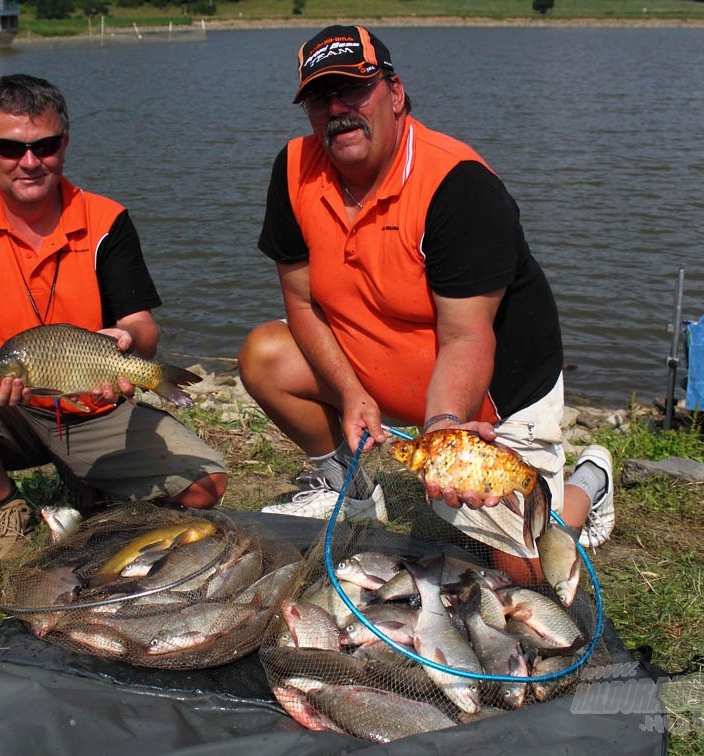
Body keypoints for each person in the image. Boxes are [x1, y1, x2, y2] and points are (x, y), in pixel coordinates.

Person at [238, 26, 614, 581]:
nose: (338, 109)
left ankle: (588, 484)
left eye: (353, 90)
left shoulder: (457, 185)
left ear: (394, 93)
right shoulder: (293, 170)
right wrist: (350, 394)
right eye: (321, 97)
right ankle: (355, 493)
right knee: (264, 355)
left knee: (528, 573)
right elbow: (301, 303)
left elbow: (467, 338)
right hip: (383, 368)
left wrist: (443, 428)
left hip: (489, 393)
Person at [0, 74, 228, 561]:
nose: (30, 162)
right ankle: (7, 506)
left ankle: (87, 483)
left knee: (208, 486)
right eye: (10, 148)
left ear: (65, 143)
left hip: (96, 403)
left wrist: (127, 340)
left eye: (45, 145)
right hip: (10, 409)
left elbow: (143, 327)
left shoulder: (106, 219)